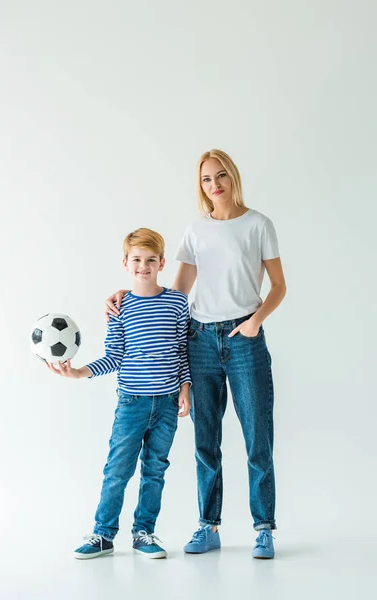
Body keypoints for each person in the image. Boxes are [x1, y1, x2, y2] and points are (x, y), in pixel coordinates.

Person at [105, 150, 286, 560]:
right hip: (199, 339)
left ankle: (263, 529)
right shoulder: (196, 230)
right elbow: (174, 294)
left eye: (220, 176)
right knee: (207, 440)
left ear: (233, 177)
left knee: (258, 438)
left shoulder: (258, 225)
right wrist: (126, 296)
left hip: (245, 338)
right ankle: (209, 525)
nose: (214, 184)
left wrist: (256, 320)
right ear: (200, 186)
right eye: (206, 179)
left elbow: (278, 286)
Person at [48, 228, 191, 560]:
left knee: (155, 469)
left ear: (162, 263)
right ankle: (103, 533)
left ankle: (143, 532)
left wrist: (185, 388)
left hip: (168, 404)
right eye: (137, 260)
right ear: (126, 264)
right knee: (118, 469)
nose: (144, 266)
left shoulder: (177, 302)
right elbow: (114, 356)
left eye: (151, 260)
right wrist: (79, 371)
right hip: (132, 404)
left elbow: (183, 350)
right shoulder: (120, 308)